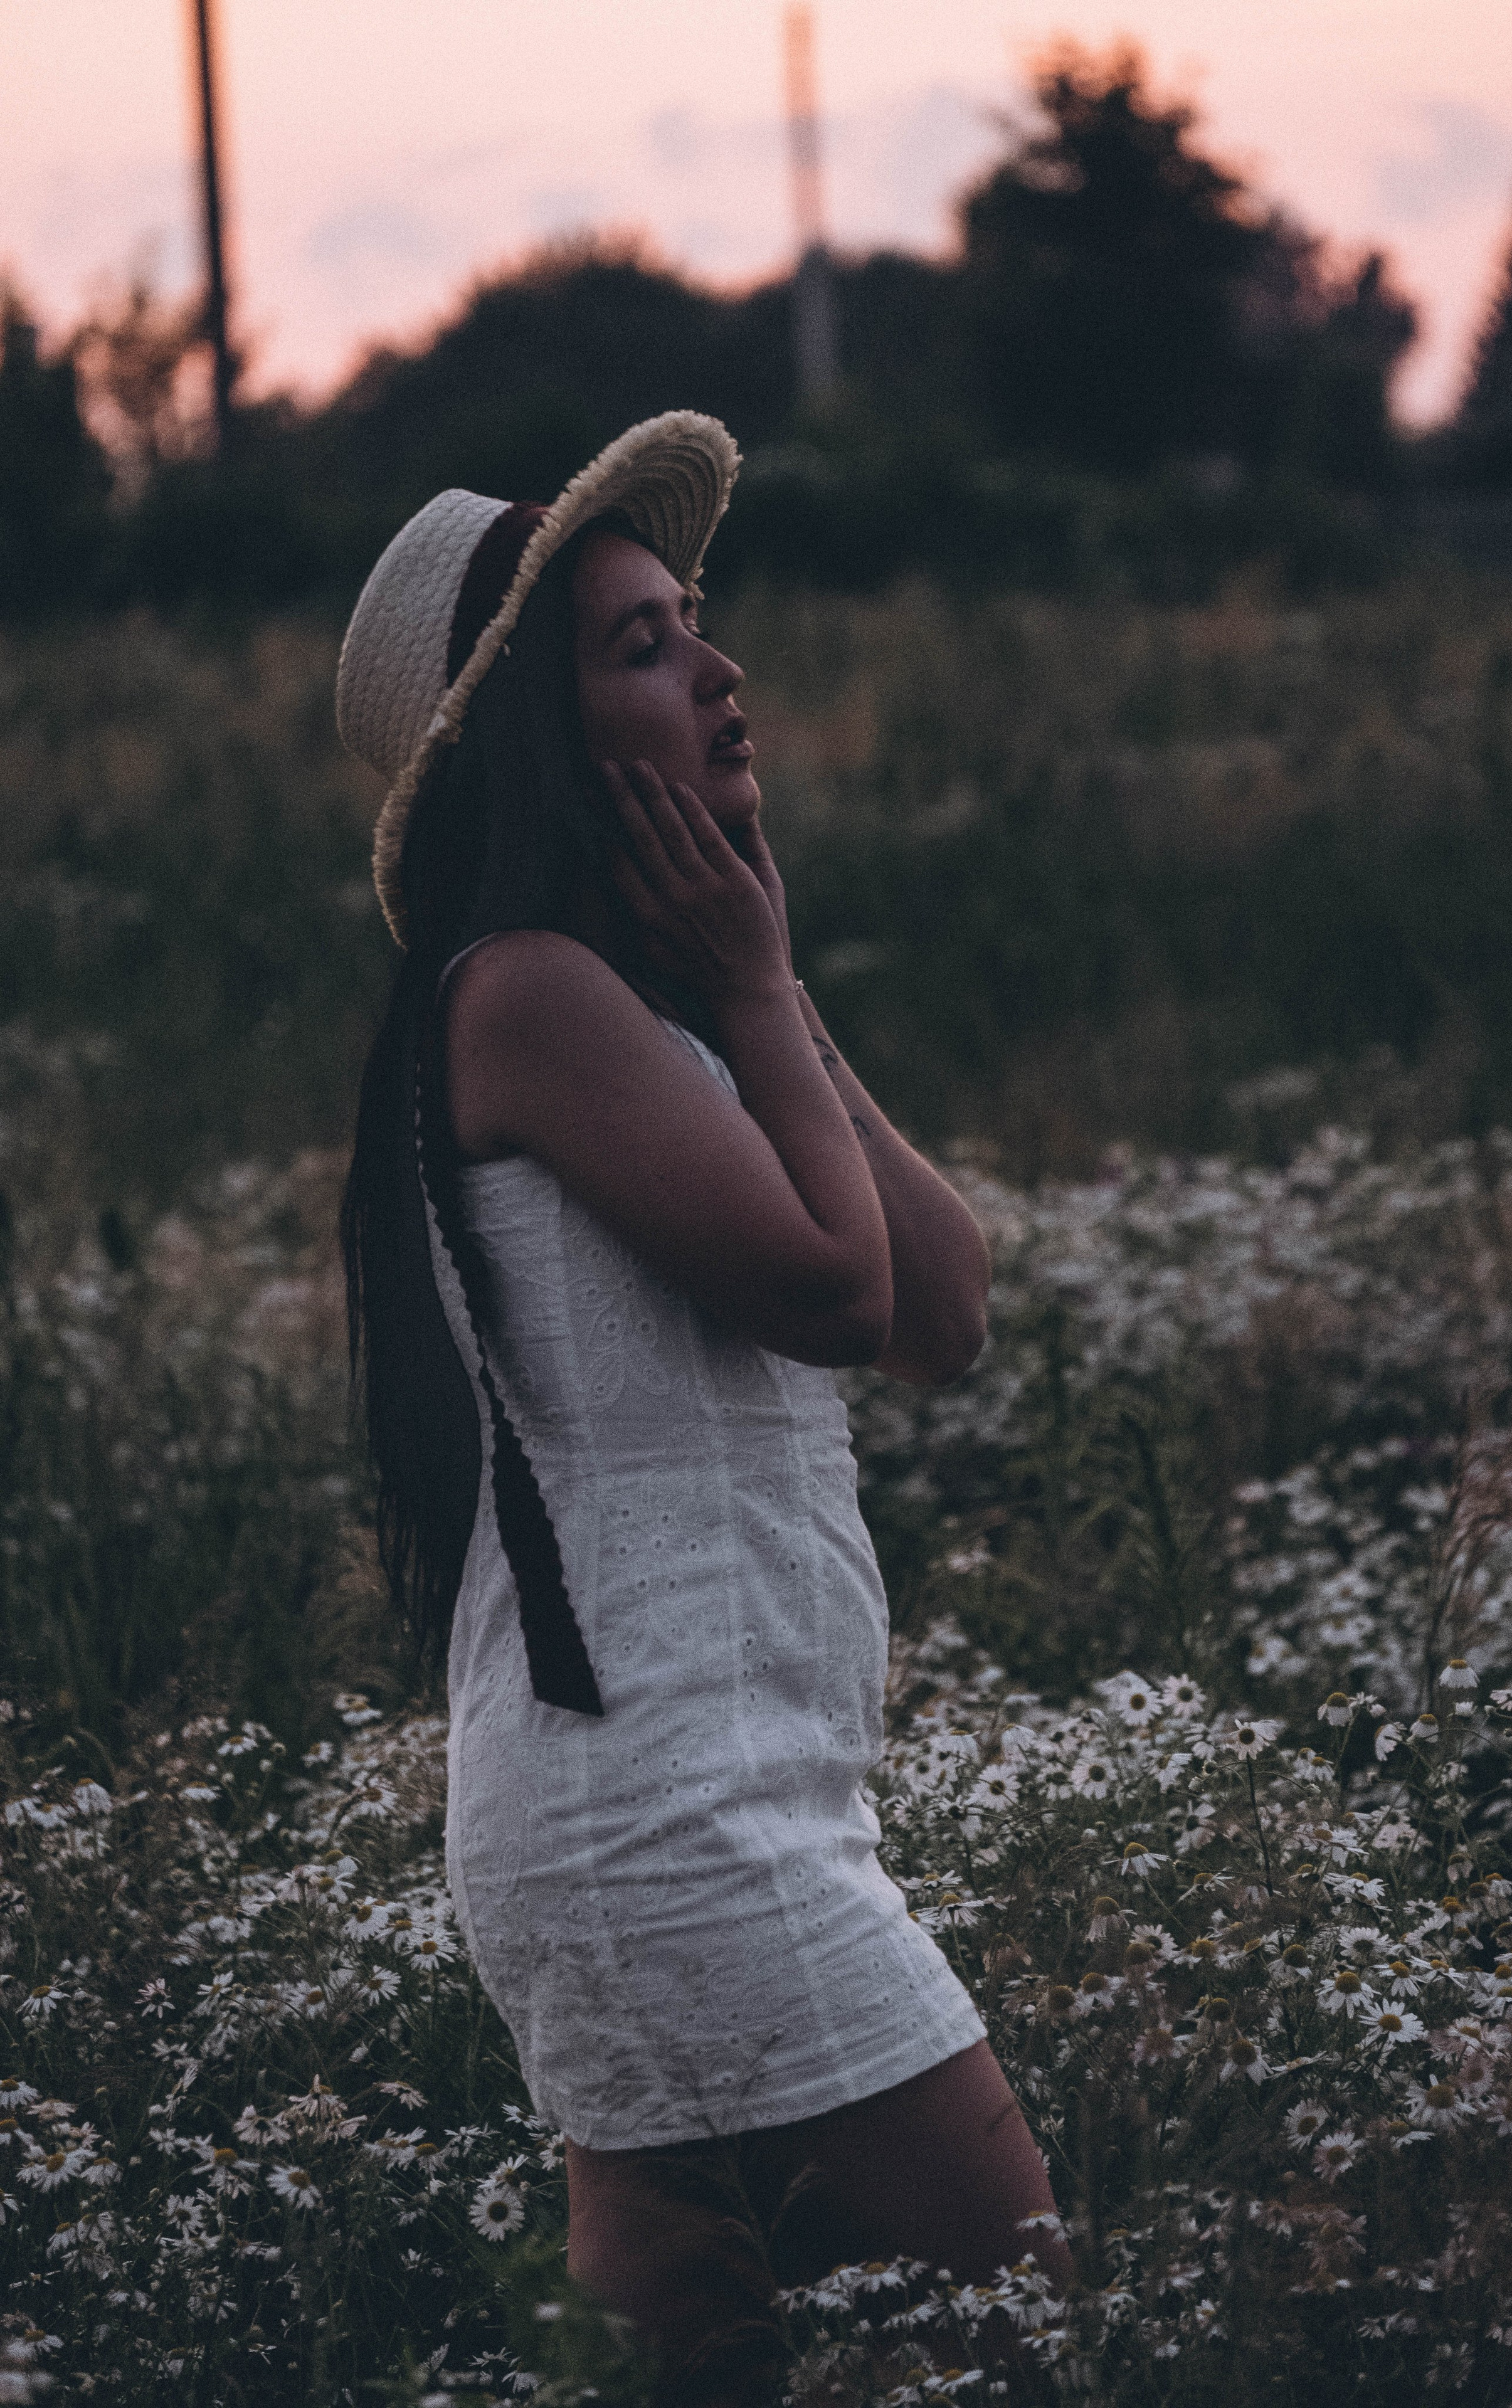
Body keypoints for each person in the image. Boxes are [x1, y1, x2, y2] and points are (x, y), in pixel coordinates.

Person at [337, 413, 1072, 2399]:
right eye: (647, 645)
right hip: (671, 1819)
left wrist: (763, 978)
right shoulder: (525, 996)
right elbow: (837, 1297)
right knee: (1025, 2338)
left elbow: (950, 1306)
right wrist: (750, 990)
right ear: (540, 740)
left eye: (695, 624)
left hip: (676, 1807)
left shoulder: (636, 1001)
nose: (720, 670)